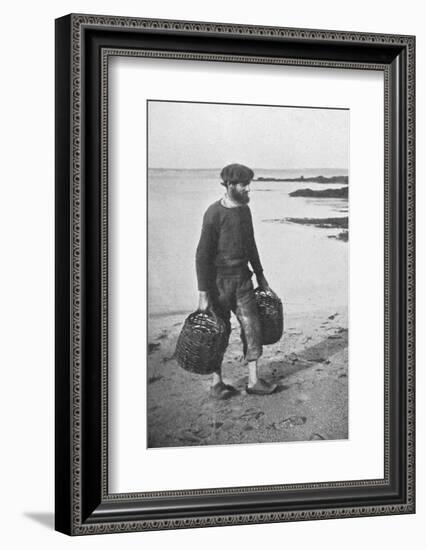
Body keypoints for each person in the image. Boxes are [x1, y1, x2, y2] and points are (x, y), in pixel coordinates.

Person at [195, 163, 278, 399]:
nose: (248, 189)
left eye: (248, 185)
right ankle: (217, 383)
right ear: (230, 185)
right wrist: (203, 293)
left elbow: (251, 244)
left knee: (252, 327)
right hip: (218, 283)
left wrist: (260, 275)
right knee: (218, 332)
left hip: (243, 280)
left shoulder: (244, 211)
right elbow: (202, 255)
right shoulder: (213, 213)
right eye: (243, 185)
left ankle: (253, 381)